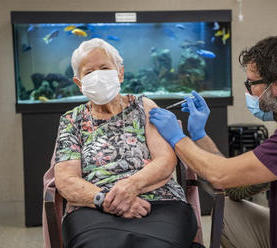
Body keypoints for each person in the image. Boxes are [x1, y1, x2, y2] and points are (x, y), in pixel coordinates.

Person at [149, 35, 277, 248]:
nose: (248, 92)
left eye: (251, 83)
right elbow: (236, 186)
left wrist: (177, 138)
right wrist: (199, 135)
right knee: (228, 209)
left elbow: (220, 175)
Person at [54, 38, 200, 248]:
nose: (98, 76)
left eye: (104, 67)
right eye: (89, 72)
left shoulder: (144, 107)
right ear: (79, 82)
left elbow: (165, 162)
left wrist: (129, 186)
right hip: (93, 208)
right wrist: (107, 201)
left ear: (120, 72)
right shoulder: (71, 120)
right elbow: (66, 180)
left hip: (160, 203)